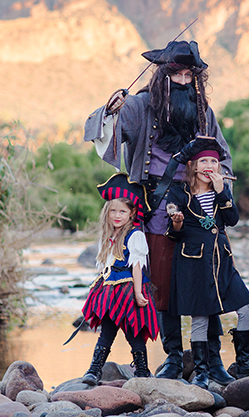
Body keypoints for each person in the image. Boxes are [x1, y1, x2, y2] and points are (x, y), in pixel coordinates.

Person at [84, 40, 235, 384]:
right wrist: (111, 110)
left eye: (188, 75)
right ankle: (171, 358)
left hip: (201, 209)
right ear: (162, 75)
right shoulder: (139, 106)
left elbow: (223, 157)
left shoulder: (203, 112)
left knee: (206, 284)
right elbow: (108, 132)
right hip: (156, 208)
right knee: (161, 286)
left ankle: (212, 361)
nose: (183, 81)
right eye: (177, 74)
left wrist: (217, 185)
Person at [165, 137, 249, 387]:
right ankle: (202, 372)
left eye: (214, 161)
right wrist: (177, 221)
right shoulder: (179, 192)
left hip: (222, 261)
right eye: (204, 161)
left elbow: (232, 219)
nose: (210, 165)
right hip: (194, 263)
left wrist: (222, 191)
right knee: (200, 318)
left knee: (247, 307)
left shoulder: (220, 189)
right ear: (193, 166)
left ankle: (243, 361)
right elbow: (173, 233)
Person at [81, 174, 159, 384]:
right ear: (107, 211)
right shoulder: (108, 236)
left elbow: (136, 266)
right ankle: (94, 370)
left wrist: (138, 292)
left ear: (132, 213)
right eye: (113, 210)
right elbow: (104, 266)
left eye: (122, 211)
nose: (117, 215)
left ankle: (142, 371)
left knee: (134, 331)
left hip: (128, 291)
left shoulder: (135, 235)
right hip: (109, 292)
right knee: (107, 331)